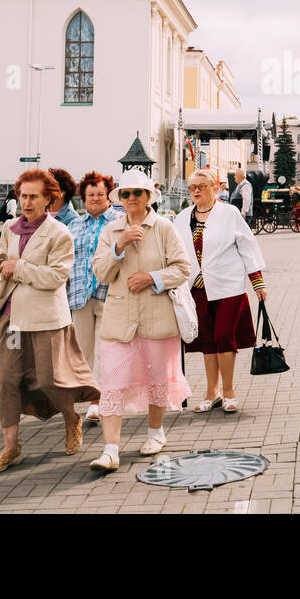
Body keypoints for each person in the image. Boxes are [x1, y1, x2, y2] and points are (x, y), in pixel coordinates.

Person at [0, 169, 100, 473]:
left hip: (46, 319)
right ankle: (11, 447)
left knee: (51, 380)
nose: (26, 201)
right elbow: (1, 259)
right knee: (5, 380)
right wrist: (2, 264)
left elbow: (56, 277)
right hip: (10, 320)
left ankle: (71, 419)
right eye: (22, 195)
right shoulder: (9, 228)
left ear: (50, 198)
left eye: (33, 196)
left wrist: (18, 268)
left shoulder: (59, 233)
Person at [89, 170, 193, 472]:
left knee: (156, 379)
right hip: (119, 320)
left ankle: (156, 432)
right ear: (119, 199)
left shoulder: (163, 228)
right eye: (125, 194)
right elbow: (101, 273)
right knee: (113, 382)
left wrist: (152, 278)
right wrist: (118, 246)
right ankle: (110, 450)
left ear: (149, 197)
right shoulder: (111, 231)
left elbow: (183, 268)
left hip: (157, 317)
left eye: (137, 193)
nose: (131, 198)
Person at [174, 170, 267, 415]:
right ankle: (211, 392)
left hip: (227, 286)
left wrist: (257, 282)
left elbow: (247, 246)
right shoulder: (182, 218)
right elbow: (174, 252)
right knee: (207, 340)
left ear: (215, 187)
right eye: (192, 187)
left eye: (202, 186)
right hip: (196, 288)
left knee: (225, 336)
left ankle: (229, 392)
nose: (196, 191)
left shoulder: (229, 213)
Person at [67, 171, 123, 424]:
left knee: (104, 349)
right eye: (91, 195)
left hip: (108, 293)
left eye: (100, 194)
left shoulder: (119, 222)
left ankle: (98, 401)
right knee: (82, 351)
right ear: (83, 198)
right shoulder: (74, 225)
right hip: (79, 295)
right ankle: (90, 395)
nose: (96, 198)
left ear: (109, 196)